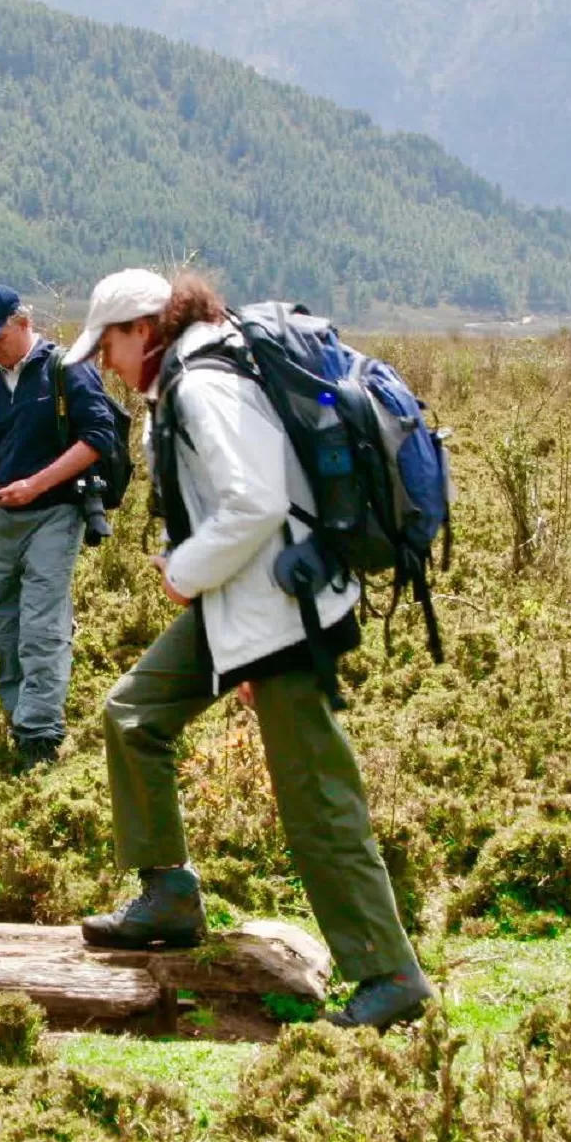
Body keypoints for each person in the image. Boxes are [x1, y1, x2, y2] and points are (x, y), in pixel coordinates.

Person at [66, 268, 435, 1031]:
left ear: (143, 329)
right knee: (135, 713)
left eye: (108, 344)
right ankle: (168, 895)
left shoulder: (203, 384)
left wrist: (188, 572)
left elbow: (257, 500)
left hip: (283, 613)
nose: (105, 361)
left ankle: (389, 975)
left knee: (316, 799)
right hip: (248, 607)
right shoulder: (192, 375)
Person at [0, 285, 118, 770]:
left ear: (24, 323)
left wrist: (36, 485)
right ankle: (17, 717)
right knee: (6, 624)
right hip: (7, 518)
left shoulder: (66, 369)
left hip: (59, 512)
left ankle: (40, 736)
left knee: (41, 622)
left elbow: (98, 436)